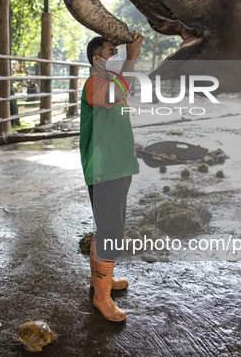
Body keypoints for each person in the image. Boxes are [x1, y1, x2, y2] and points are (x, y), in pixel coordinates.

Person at [79, 32, 145, 322]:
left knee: (107, 227)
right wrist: (132, 58)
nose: (117, 53)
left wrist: (133, 146)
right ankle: (102, 299)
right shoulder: (95, 83)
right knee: (111, 233)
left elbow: (116, 122)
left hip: (119, 167)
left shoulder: (112, 84)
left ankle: (99, 280)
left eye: (119, 51)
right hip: (105, 170)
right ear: (97, 59)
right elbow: (118, 94)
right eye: (112, 50)